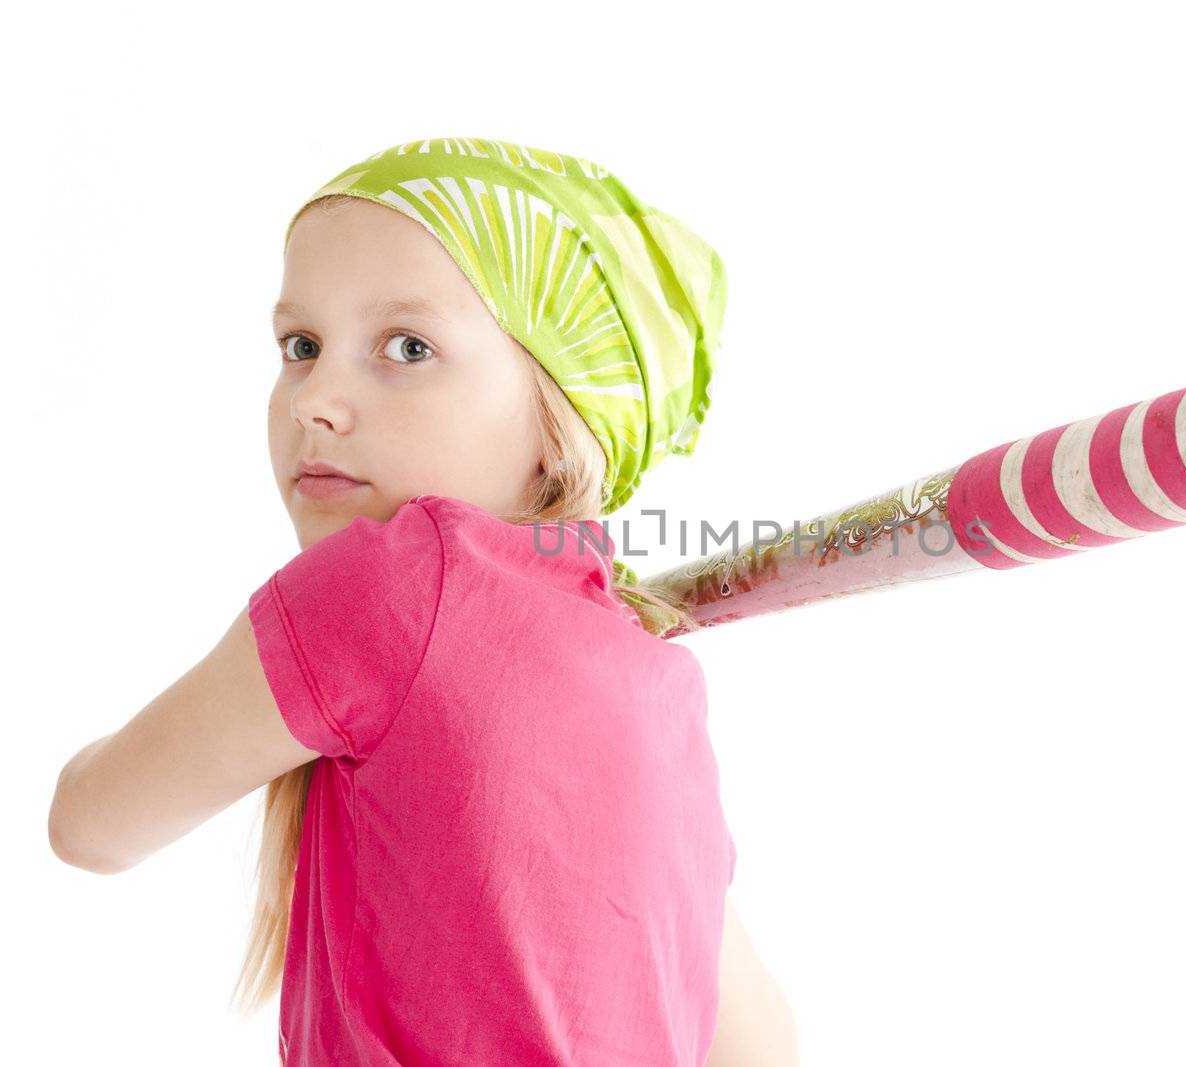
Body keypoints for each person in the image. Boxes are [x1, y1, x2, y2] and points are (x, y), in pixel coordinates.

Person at [47, 136, 799, 1066]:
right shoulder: (656, 675)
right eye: (301, 345)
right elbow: (760, 1041)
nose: (315, 399)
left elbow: (89, 824)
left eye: (408, 348)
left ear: (556, 415)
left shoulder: (393, 585)